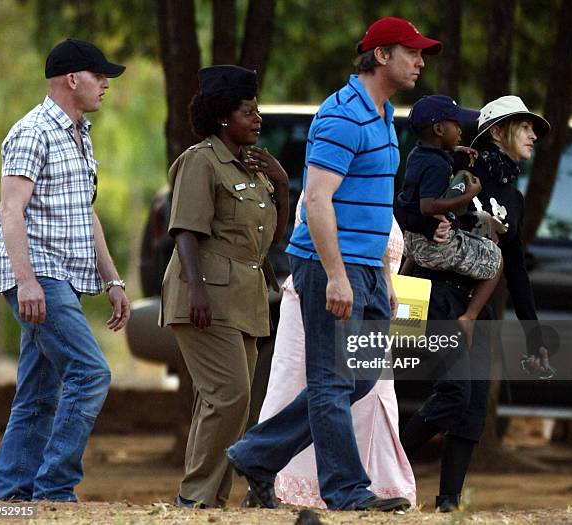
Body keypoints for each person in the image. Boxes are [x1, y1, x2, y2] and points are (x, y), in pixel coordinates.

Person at [227, 17, 441, 512]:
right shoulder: (341, 115)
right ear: (382, 55)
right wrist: (338, 276)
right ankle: (345, 490)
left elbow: (370, 204)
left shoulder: (385, 115)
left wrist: (384, 278)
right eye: (412, 52)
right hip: (330, 266)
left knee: (361, 376)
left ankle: (256, 455)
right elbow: (318, 201)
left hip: (366, 268)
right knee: (330, 381)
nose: (420, 61)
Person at [0, 39, 130, 502]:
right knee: (91, 374)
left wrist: (113, 279)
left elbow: (85, 214)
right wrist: (26, 282)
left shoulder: (79, 133)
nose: (106, 84)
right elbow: (11, 212)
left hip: (62, 276)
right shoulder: (32, 131)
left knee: (39, 390)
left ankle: (11, 498)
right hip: (39, 276)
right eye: (100, 75)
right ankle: (53, 490)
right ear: (73, 79)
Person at [399, 95, 552, 512]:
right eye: (525, 126)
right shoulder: (460, 169)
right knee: (452, 392)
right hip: (440, 294)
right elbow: (417, 221)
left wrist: (532, 331)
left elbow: (515, 270)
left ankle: (447, 504)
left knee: (472, 408)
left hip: (479, 305)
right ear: (497, 132)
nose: (534, 134)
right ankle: (382, 470)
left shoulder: (515, 199)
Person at [158, 65, 289, 508]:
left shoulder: (252, 170)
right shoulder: (201, 161)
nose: (257, 119)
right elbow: (185, 231)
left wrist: (283, 186)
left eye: (257, 111)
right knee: (228, 396)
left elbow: (275, 240)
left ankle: (209, 499)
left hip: (244, 298)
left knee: (228, 400)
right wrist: (196, 290)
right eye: (248, 111)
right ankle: (193, 497)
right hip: (205, 295)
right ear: (221, 116)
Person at [257, 197, 416, 508]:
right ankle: (272, 475)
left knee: (371, 394)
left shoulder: (379, 186)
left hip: (375, 304)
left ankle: (378, 484)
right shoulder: (330, 181)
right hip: (329, 299)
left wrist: (388, 288)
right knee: (304, 388)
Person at [396, 95, 503, 342]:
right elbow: (428, 206)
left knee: (416, 256)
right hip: (434, 246)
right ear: (438, 128)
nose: (461, 130)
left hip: (411, 241)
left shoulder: (417, 154)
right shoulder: (438, 166)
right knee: (495, 257)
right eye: (456, 124)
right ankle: (469, 317)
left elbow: (426, 171)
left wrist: (454, 151)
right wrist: (469, 195)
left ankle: (401, 310)